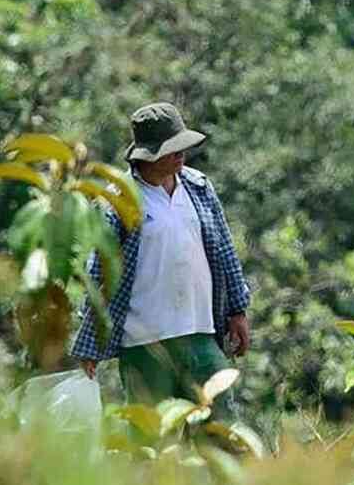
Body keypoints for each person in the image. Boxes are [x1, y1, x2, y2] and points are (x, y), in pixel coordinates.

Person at [71, 102, 251, 411]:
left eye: (182, 146)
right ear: (148, 154)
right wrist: (90, 345)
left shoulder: (198, 187)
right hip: (145, 343)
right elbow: (100, 273)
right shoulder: (120, 199)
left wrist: (238, 312)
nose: (181, 154)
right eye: (172, 149)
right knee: (151, 441)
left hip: (200, 332)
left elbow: (224, 251)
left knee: (222, 428)